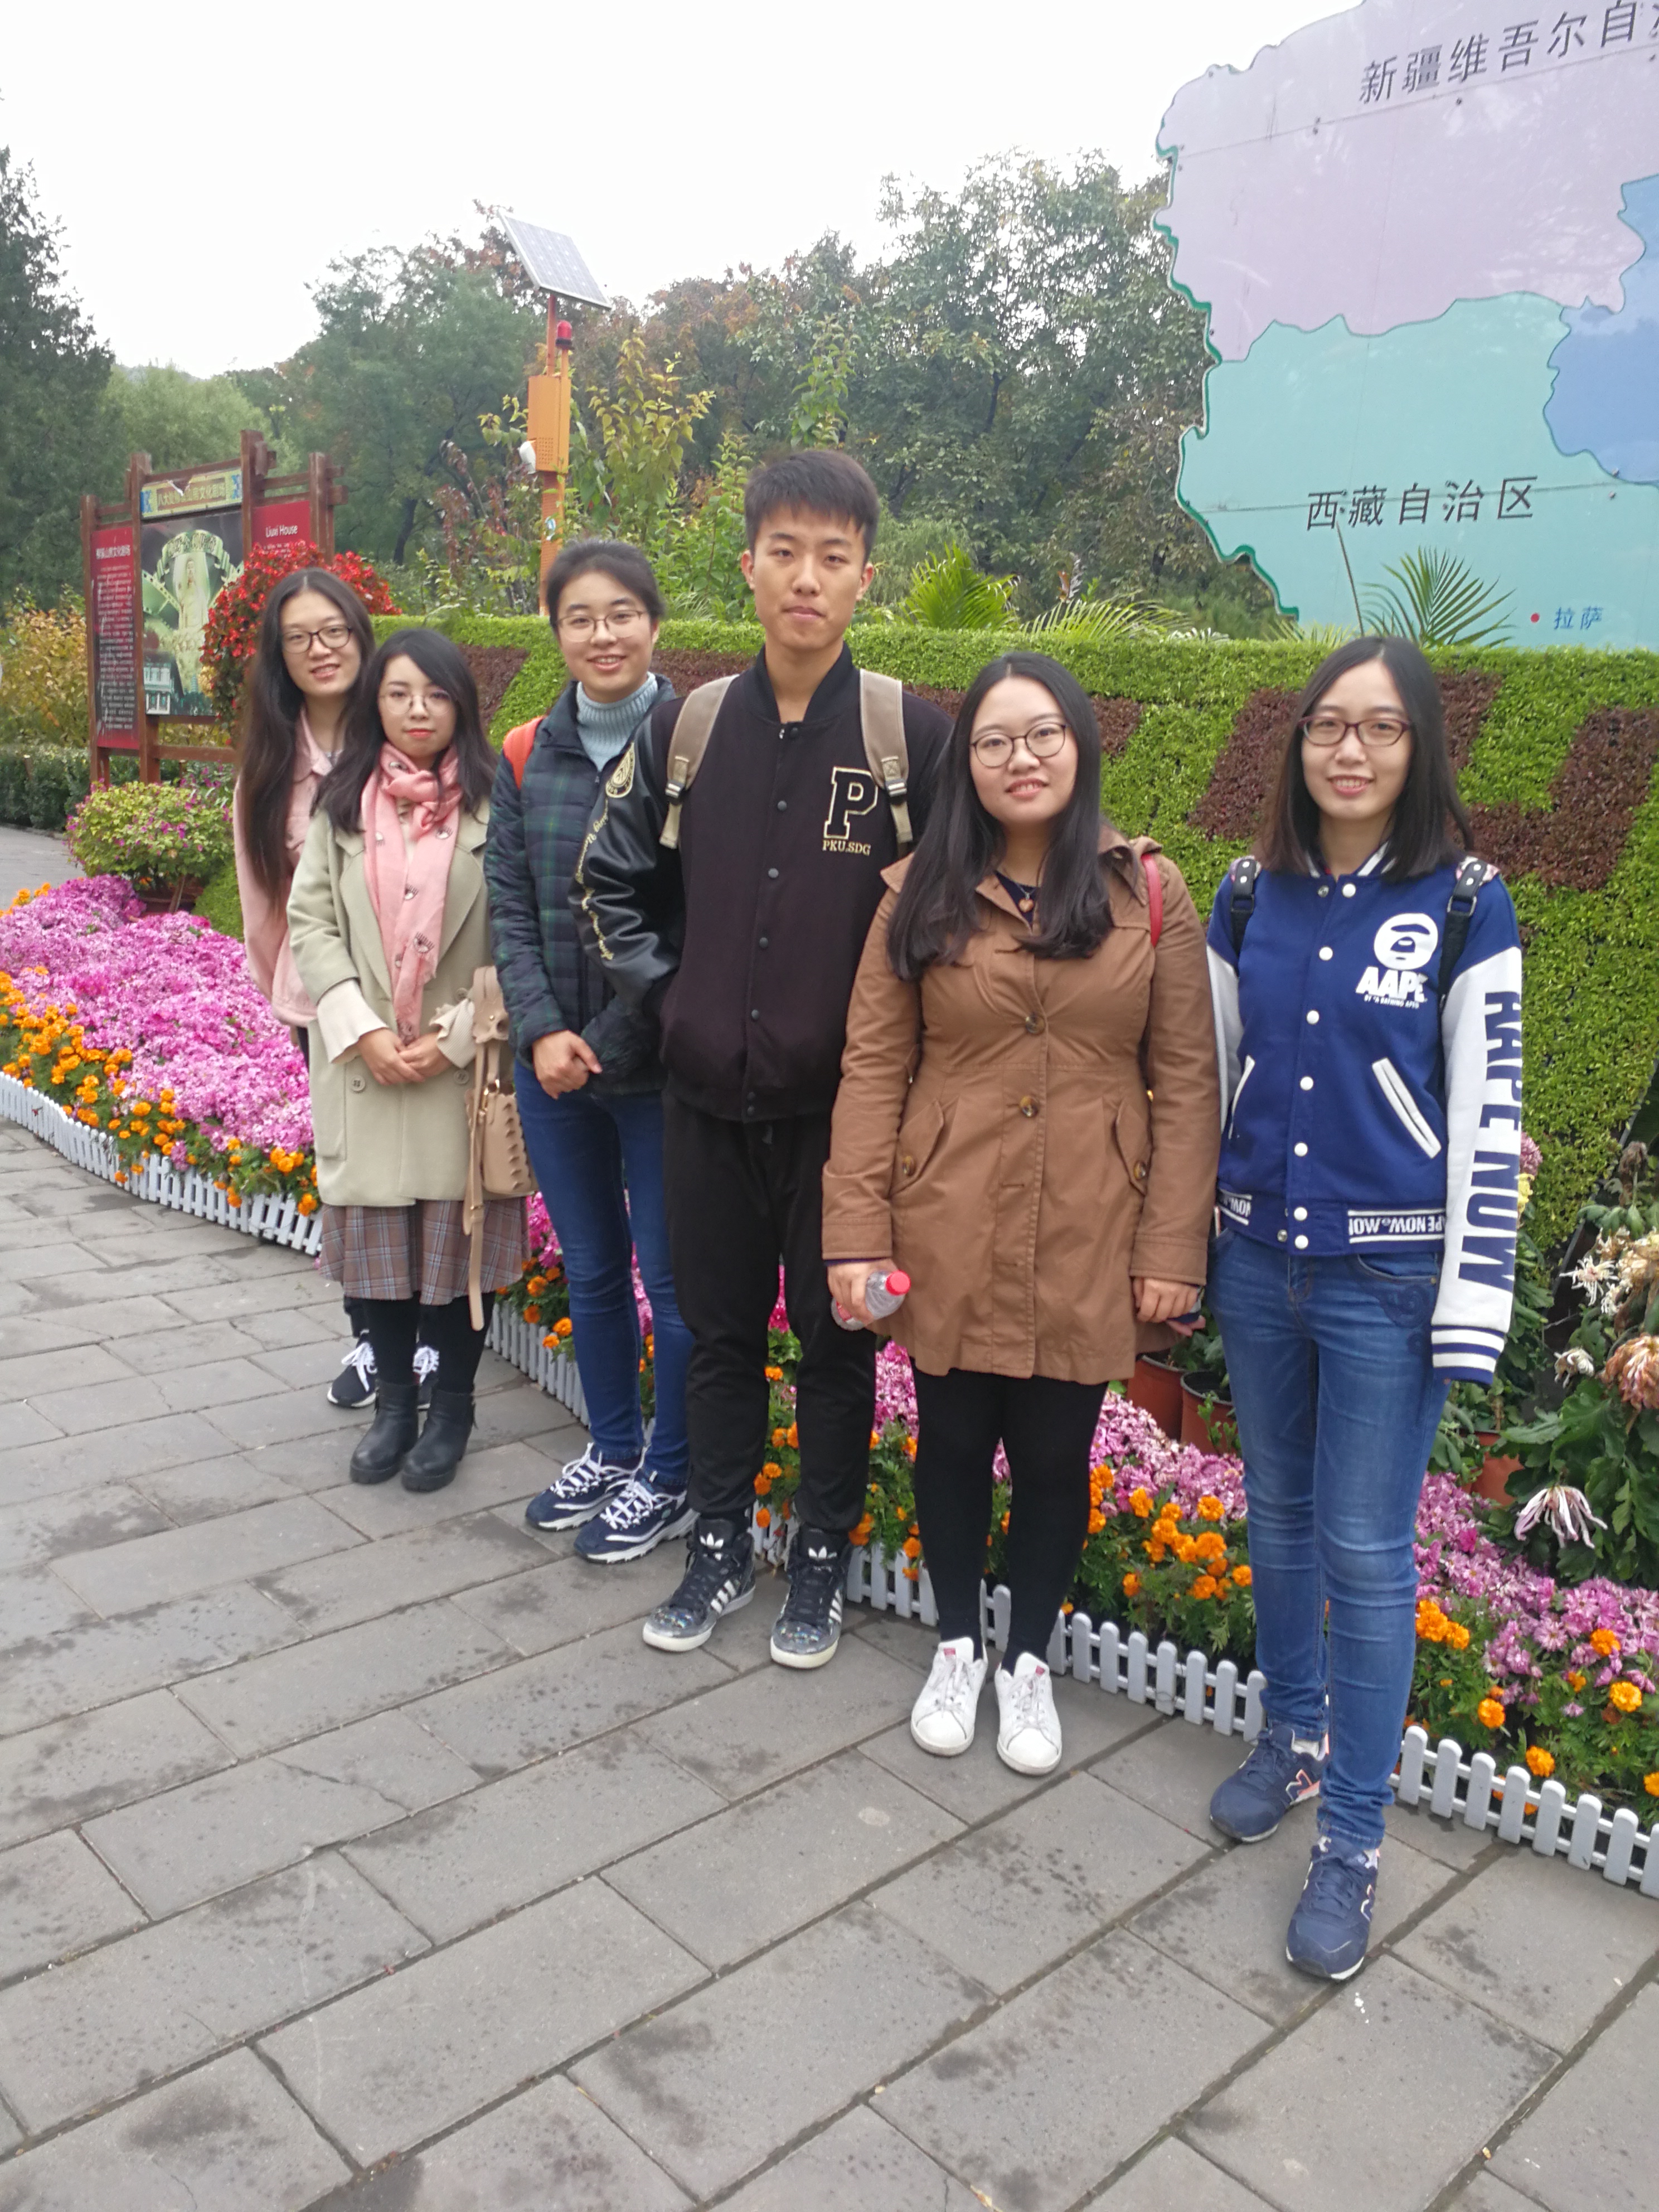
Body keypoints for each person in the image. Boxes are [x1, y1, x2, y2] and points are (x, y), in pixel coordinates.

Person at [574, 450, 953, 1666]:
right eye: (784, 552)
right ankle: (721, 1541)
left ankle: (822, 1556)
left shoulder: (910, 737)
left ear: (865, 577)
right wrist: (674, 999)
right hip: (703, 1104)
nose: (806, 578)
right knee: (718, 1336)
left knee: (838, 1347)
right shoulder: (687, 728)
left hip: (845, 1123)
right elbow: (607, 878)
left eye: (833, 557)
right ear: (748, 566)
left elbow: (952, 918)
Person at [822, 651, 1219, 1773]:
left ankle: (1028, 1660)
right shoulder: (917, 893)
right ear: (970, 764)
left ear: (1079, 743)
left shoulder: (1149, 894)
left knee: (1054, 1453)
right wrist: (855, 1234)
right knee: (950, 1439)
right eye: (994, 741)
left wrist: (1173, 1246)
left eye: (1042, 734)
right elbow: (873, 1067)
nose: (1021, 758)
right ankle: (958, 1642)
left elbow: (1189, 1083)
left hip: (1093, 1218)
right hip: (948, 1211)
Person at [1203, 634, 1522, 1981]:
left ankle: (1351, 1839)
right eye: (1329, 723)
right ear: (1297, 741)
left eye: (1381, 727)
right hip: (1256, 1261)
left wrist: (1473, 1303)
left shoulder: (1465, 902)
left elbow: (1491, 1116)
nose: (1351, 748)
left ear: (1419, 746)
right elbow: (1206, 1078)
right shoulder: (1246, 894)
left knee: (1366, 1549)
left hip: (1388, 1281)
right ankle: (1291, 1735)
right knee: (1275, 1515)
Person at [484, 540, 693, 1563]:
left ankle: (674, 1472)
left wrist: (599, 1043)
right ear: (556, 630)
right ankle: (614, 1447)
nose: (602, 635)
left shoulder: (699, 746)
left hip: (660, 1073)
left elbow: (697, 925)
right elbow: (510, 907)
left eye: (621, 614)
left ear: (654, 623)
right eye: (580, 617)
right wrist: (541, 1032)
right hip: (551, 1068)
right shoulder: (528, 751)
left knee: (675, 1284)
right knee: (595, 1272)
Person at [287, 629, 527, 1492]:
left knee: (458, 1254)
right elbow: (311, 922)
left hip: (463, 1065)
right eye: (398, 693)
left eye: (435, 694)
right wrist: (362, 1029)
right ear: (375, 703)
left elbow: (519, 935)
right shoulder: (342, 807)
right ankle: (393, 1408)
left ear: (462, 704)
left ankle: (452, 1409)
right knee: (381, 1254)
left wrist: (454, 1037)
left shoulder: (497, 806)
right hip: (367, 1063)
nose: (417, 710)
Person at [232, 568, 422, 1413]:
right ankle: (372, 1335)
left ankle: (431, 1338)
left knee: (430, 1172)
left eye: (334, 631)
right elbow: (265, 911)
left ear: (360, 634)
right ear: (279, 655)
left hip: (423, 1001)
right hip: (327, 1011)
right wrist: (307, 1004)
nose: (321, 650)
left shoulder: (408, 740)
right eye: (300, 638)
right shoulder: (269, 772)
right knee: (352, 1177)